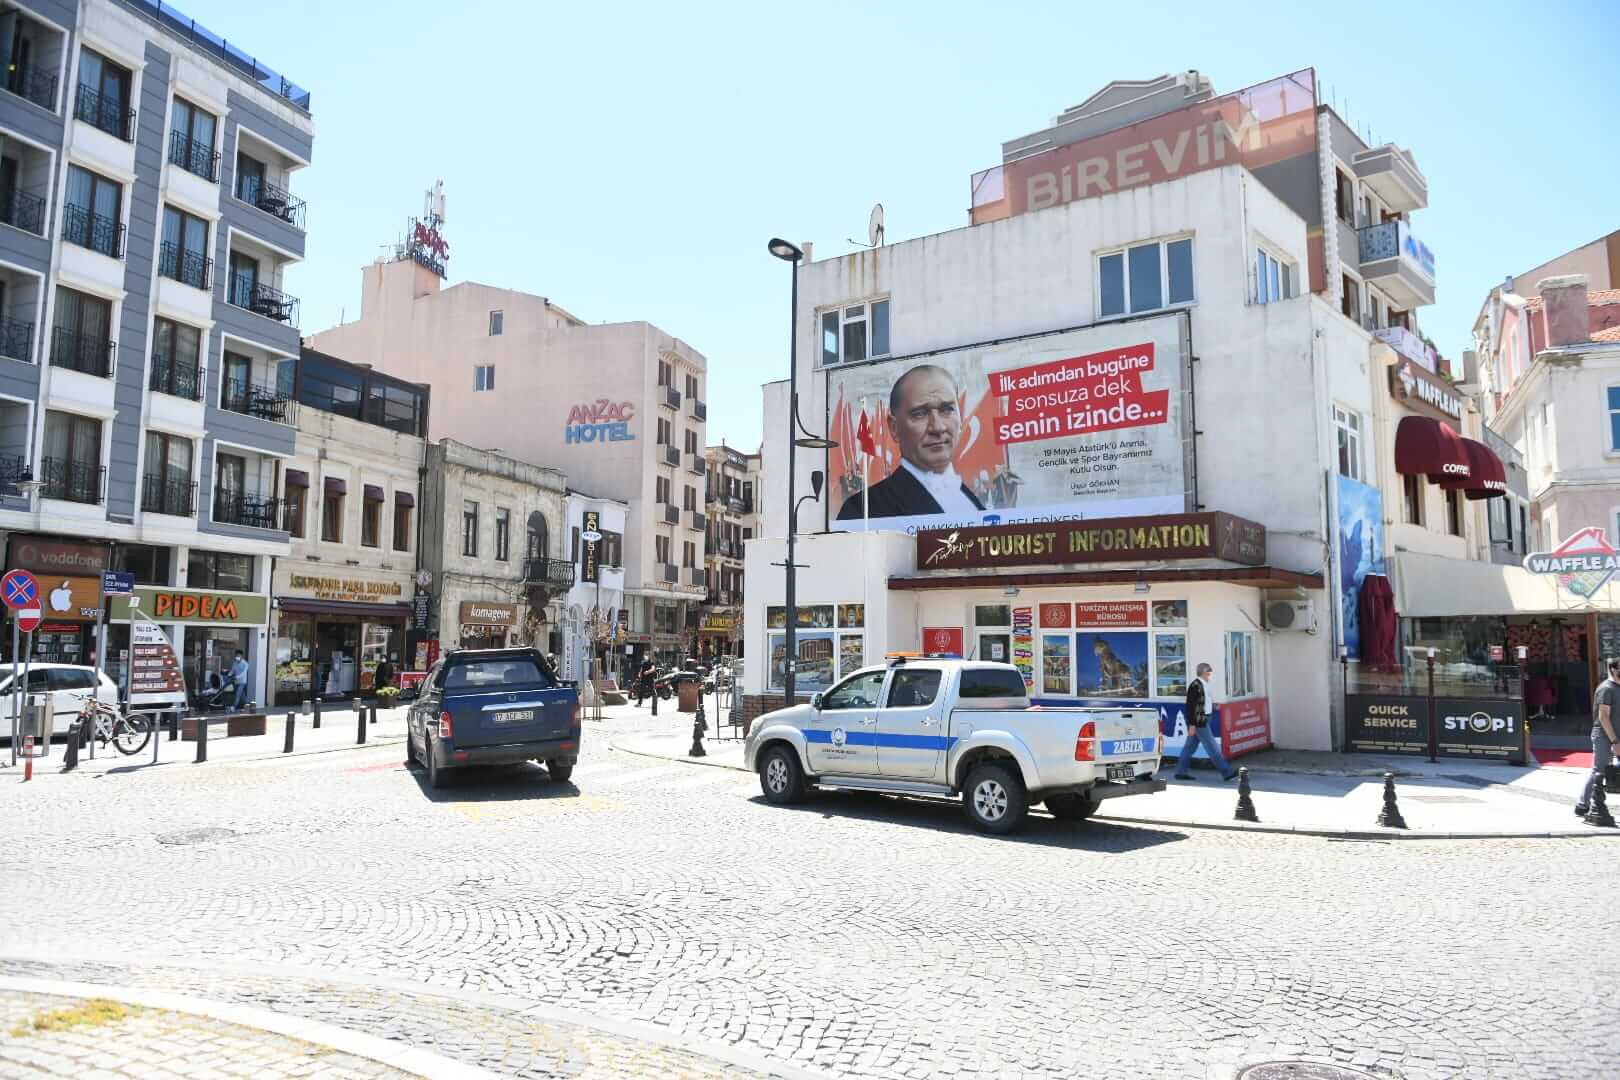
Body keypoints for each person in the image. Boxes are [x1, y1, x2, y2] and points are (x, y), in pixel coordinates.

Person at [836, 364, 987, 521]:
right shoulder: (863, 510)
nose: (938, 427)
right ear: (894, 428)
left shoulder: (972, 501)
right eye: (920, 414)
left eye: (947, 409)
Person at [1173, 662, 1236, 782]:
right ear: (1204, 672)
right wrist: (1192, 725)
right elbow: (1191, 707)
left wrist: (1213, 706)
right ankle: (1227, 772)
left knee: (1189, 747)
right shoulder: (1195, 685)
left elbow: (1203, 703)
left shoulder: (1205, 685)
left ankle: (1180, 772)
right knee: (1212, 746)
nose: (1211, 673)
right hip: (1199, 721)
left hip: (1204, 719)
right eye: (1209, 670)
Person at [1575, 658, 1620, 820]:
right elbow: (1603, 716)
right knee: (1599, 770)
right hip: (1604, 735)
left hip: (1616, 735)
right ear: (1614, 669)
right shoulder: (1606, 689)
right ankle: (1583, 805)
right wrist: (1615, 741)